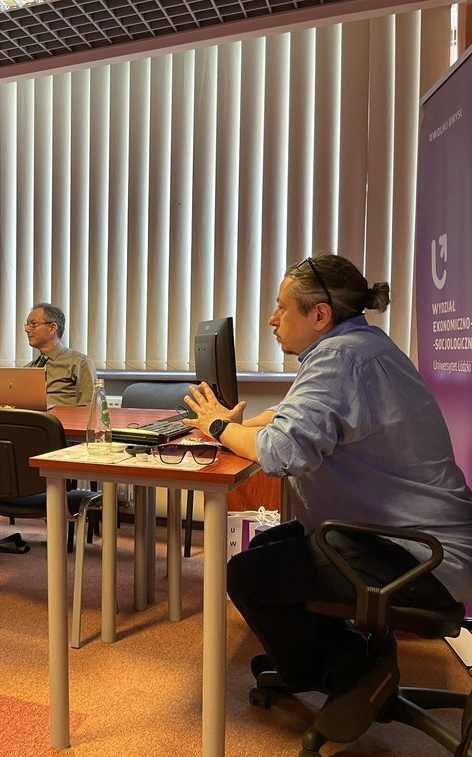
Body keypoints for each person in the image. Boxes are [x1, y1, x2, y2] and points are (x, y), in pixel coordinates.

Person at [184, 252, 472, 697]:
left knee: (248, 574)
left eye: (282, 306)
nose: (271, 318)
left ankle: (345, 671)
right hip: (416, 542)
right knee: (271, 546)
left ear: (320, 314)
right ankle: (341, 652)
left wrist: (219, 428)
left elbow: (280, 454)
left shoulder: (340, 358)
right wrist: (236, 424)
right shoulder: (358, 346)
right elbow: (289, 417)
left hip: (421, 561)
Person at [24, 302, 96, 406]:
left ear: (52, 328)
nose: (26, 329)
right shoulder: (29, 368)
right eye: (27, 325)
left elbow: (89, 408)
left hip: (64, 421)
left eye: (33, 324)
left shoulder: (80, 363)